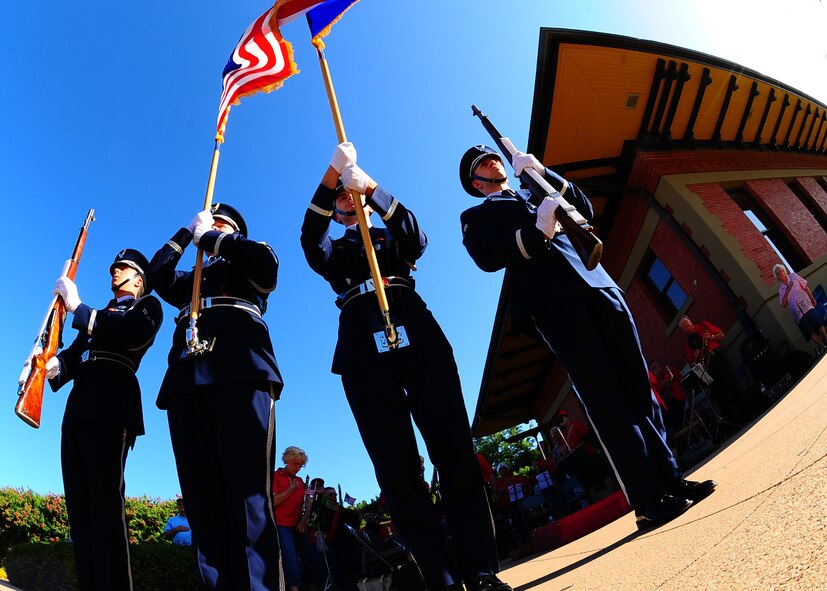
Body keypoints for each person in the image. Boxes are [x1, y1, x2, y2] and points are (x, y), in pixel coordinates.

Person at [458, 145, 716, 530]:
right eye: (483, 164)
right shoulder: (476, 216)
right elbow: (487, 256)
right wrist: (535, 231)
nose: (494, 163)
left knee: (637, 386)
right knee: (605, 397)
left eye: (494, 157)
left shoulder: (534, 189)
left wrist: (545, 172)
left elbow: (584, 209)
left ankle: (671, 480)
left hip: (597, 283)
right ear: (477, 184)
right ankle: (646, 498)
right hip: (554, 304)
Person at [300, 143, 508, 591]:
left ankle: (481, 569)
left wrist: (371, 188)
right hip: (360, 337)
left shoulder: (392, 237)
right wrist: (331, 172)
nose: (347, 200)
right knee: (396, 467)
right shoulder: (333, 250)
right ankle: (441, 577)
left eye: (350, 193)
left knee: (454, 450)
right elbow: (308, 243)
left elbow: (417, 237)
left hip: (413, 321)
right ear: (337, 213)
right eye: (341, 198)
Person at [149, 203, 283, 590]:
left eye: (223, 225)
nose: (212, 230)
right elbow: (157, 274)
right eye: (209, 225)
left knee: (247, 495)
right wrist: (183, 234)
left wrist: (213, 237)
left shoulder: (246, 257)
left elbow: (266, 267)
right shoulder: (190, 279)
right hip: (188, 378)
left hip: (240, 369)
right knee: (201, 497)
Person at [45, 248, 162, 590]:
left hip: (112, 406)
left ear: (138, 279)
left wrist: (79, 307)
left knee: (106, 507)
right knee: (80, 511)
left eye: (122, 267)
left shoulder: (146, 307)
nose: (115, 270)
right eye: (114, 266)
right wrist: (48, 365)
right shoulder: (98, 315)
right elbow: (72, 357)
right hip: (79, 408)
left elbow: (129, 333)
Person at [679, 315, 751, 424]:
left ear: (690, 320)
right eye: (682, 325)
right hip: (707, 369)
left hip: (717, 358)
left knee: (733, 385)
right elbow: (692, 364)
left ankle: (750, 412)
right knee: (719, 396)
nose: (684, 325)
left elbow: (721, 335)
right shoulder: (687, 344)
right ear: (682, 330)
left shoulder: (702, 324)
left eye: (685, 322)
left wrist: (711, 337)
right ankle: (733, 423)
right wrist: (695, 356)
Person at [273, 447, 319, 591]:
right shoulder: (276, 476)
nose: (299, 468)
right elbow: (273, 501)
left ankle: (312, 585)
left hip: (299, 524)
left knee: (311, 555)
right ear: (286, 460)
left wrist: (303, 520)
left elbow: (306, 505)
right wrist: (290, 489)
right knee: (290, 557)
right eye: (296, 464)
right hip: (281, 525)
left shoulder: (300, 481)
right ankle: (293, 587)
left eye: (301, 465)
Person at [773, 263, 827, 354]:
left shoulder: (794, 276)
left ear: (784, 271)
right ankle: (822, 345)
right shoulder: (781, 289)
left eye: (780, 271)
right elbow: (783, 304)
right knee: (809, 331)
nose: (780, 274)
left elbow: (805, 287)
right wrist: (788, 289)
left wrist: (812, 298)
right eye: (777, 274)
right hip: (798, 314)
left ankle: (826, 338)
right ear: (777, 277)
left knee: (818, 323)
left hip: (807, 306)